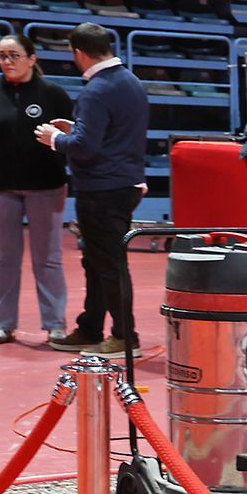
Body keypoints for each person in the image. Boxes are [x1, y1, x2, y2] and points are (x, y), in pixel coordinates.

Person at [36, 22, 149, 357]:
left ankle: (124, 336)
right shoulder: (131, 83)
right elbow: (110, 133)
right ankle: (90, 328)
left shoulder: (96, 90)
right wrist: (76, 129)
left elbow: (85, 147)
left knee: (109, 265)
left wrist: (55, 139)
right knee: (99, 263)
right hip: (123, 183)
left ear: (79, 53)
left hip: (101, 190)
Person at [0, 32, 73, 346]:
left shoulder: (53, 93)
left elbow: (68, 134)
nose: (7, 62)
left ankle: (55, 324)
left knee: (47, 257)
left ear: (32, 58)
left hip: (46, 186)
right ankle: (3, 323)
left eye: (14, 55)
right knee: (3, 257)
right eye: (2, 56)